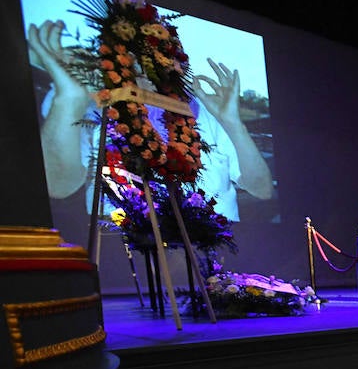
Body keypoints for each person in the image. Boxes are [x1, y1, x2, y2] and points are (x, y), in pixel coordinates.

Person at [27, 18, 272, 222]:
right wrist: (68, 101)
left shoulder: (207, 108)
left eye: (158, 54)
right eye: (132, 54)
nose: (145, 66)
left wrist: (232, 123)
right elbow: (59, 186)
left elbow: (261, 189)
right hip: (123, 251)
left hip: (213, 250)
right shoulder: (84, 100)